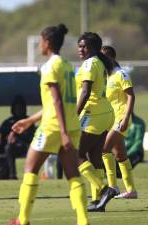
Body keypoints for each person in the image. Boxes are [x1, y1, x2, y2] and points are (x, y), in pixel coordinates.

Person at [8, 24, 89, 225]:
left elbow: (57, 102)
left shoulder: (49, 67)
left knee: (30, 169)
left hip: (54, 127)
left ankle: (23, 220)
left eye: (41, 42)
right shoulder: (68, 66)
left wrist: (61, 133)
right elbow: (55, 103)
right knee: (73, 175)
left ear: (47, 43)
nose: (39, 46)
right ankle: (83, 220)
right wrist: (29, 121)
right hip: (71, 126)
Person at [75, 32, 117, 212]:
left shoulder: (90, 64)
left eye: (84, 46)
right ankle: (97, 201)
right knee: (94, 157)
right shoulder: (98, 62)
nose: (80, 49)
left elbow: (85, 92)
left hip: (94, 114)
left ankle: (103, 189)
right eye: (79, 46)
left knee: (75, 154)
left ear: (93, 48)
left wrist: (73, 115)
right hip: (105, 112)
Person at [101, 45, 137, 199]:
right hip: (110, 120)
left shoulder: (121, 74)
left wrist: (126, 117)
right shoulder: (106, 76)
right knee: (120, 155)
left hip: (120, 118)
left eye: (103, 57)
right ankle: (131, 191)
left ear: (111, 58)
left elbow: (131, 96)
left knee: (104, 149)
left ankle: (112, 186)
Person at [0, 96, 35, 180]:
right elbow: (1, 131)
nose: (19, 110)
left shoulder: (27, 121)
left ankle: (12, 175)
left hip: (20, 146)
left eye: (21, 108)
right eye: (17, 108)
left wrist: (16, 136)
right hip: (4, 145)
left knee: (9, 147)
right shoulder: (8, 121)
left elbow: (30, 138)